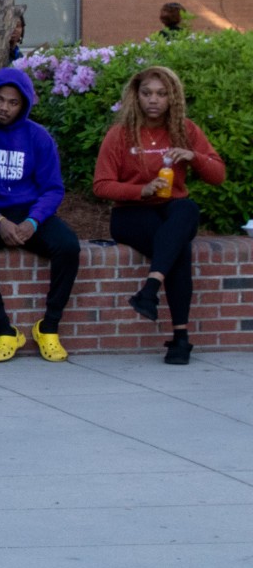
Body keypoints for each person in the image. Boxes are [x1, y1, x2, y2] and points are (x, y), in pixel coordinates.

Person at [93, 66, 226, 365]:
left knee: (187, 209)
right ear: (136, 96)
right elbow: (101, 185)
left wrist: (194, 156)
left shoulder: (185, 130)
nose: (153, 100)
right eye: (147, 93)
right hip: (131, 213)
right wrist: (141, 190)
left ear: (172, 98)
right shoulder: (120, 134)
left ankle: (150, 290)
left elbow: (218, 175)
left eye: (161, 94)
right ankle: (180, 338)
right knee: (177, 248)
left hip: (171, 210)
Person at [0, 67, 79, 362]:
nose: (4, 107)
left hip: (30, 211)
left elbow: (53, 189)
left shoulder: (39, 138)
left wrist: (33, 221)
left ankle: (48, 328)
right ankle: (5, 330)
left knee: (68, 246)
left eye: (12, 102)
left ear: (23, 106)